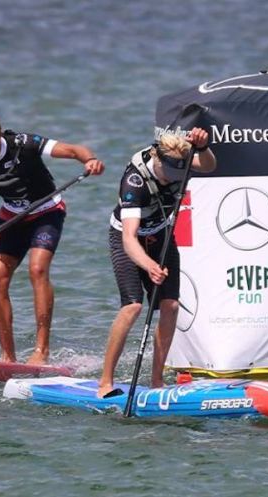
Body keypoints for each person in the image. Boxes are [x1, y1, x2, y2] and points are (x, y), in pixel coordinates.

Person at [0, 108, 105, 365]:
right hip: (12, 217)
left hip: (46, 212)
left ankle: (41, 351)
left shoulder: (23, 144)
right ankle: (8, 357)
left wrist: (90, 160)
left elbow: (74, 150)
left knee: (37, 270)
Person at [97, 128, 216, 397]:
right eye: (171, 173)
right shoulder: (135, 182)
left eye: (180, 172)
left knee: (170, 305)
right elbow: (128, 238)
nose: (174, 178)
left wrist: (204, 146)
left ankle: (156, 381)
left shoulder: (179, 160)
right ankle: (105, 381)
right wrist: (149, 266)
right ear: (158, 159)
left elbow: (209, 165)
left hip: (161, 234)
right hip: (128, 238)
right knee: (133, 306)